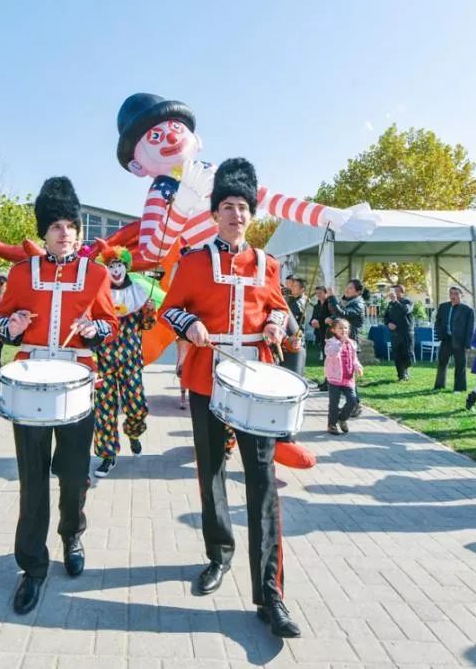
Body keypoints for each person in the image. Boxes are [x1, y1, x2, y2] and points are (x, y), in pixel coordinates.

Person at [160, 157, 301, 638]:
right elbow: (169, 310)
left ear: (250, 213)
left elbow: (281, 311)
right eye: (227, 206)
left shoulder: (268, 265)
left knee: (262, 483)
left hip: (256, 387)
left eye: (242, 207)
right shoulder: (194, 261)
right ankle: (218, 554)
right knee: (211, 474)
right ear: (215, 213)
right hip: (206, 381)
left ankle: (271, 593)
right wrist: (188, 323)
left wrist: (277, 324)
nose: (235, 214)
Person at [0, 176, 118, 615]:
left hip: (79, 385)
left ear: (79, 232)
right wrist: (14, 326)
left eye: (70, 225)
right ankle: (33, 566)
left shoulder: (98, 274)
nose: (64, 232)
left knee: (73, 472)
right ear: (43, 232)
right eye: (56, 225)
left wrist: (94, 329)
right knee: (32, 478)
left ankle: (71, 532)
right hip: (30, 385)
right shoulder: (21, 273)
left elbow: (110, 325)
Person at [91, 246, 156, 478]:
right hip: (104, 362)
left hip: (131, 361)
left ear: (126, 267)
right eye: (111, 266)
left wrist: (149, 312)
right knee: (104, 412)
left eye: (119, 265)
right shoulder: (99, 293)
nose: (115, 270)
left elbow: (147, 326)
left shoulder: (138, 291)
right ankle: (108, 456)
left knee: (137, 408)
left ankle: (134, 432)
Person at [324, 318, 363, 435]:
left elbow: (354, 359)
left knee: (352, 401)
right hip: (334, 379)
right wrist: (341, 342)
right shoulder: (330, 342)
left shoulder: (351, 343)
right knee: (334, 403)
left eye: (346, 327)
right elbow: (331, 354)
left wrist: (358, 367)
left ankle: (342, 419)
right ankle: (331, 424)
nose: (343, 330)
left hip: (348, 379)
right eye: (340, 328)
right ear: (333, 330)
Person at [433, 286, 474, 392]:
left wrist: (467, 345)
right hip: (446, 339)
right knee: (442, 363)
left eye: (456, 293)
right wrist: (440, 333)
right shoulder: (443, 307)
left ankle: (459, 388)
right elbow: (438, 321)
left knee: (460, 365)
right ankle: (439, 386)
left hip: (459, 342)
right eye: (451, 293)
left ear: (461, 295)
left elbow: (470, 329)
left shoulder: (467, 310)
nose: (453, 296)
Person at [383, 284, 415, 381]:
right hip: (395, 333)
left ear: (402, 292)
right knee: (397, 355)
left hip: (406, 333)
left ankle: (405, 371)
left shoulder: (408, 302)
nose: (395, 293)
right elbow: (386, 316)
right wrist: (388, 324)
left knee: (407, 354)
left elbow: (405, 310)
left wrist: (395, 301)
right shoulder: (390, 304)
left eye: (397, 291)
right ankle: (401, 375)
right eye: (394, 291)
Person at [279, 276, 307, 378]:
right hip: (291, 337)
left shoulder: (298, 303)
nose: (291, 288)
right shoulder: (294, 300)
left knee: (294, 370)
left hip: (294, 337)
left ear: (302, 289)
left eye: (294, 286)